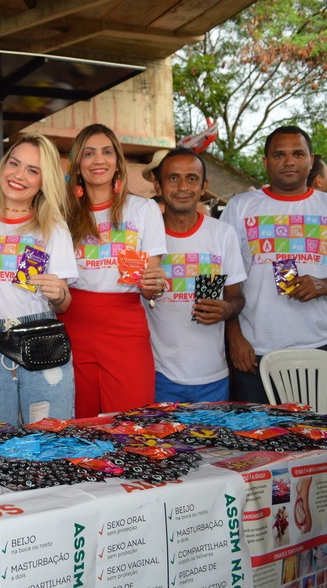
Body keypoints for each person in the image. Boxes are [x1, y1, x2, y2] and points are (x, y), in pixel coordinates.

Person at [0, 133, 77, 427]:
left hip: (41, 338)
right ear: (3, 165)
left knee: (49, 441)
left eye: (33, 170)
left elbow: (63, 305)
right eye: (15, 163)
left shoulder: (53, 227)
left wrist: (58, 294)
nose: (19, 175)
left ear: (43, 180)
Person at [61, 124, 166, 417]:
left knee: (133, 423)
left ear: (118, 161)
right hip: (72, 322)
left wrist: (154, 283)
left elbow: (150, 280)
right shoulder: (61, 213)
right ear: (78, 164)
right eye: (89, 153)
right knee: (79, 424)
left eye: (107, 152)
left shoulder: (143, 209)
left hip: (125, 325)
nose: (99, 160)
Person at [221, 126, 327, 403]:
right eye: (279, 154)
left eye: (297, 154)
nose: (289, 161)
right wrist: (234, 337)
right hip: (254, 350)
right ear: (265, 161)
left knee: (317, 439)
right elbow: (224, 278)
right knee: (260, 440)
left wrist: (323, 285)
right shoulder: (240, 207)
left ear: (311, 159)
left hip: (319, 347)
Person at [145, 148, 246, 402]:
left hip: (213, 378)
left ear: (204, 187)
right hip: (158, 377)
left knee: (212, 443)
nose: (182, 186)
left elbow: (236, 297)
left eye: (192, 179)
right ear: (158, 184)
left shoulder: (222, 234)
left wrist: (225, 309)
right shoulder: (143, 237)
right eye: (173, 178)